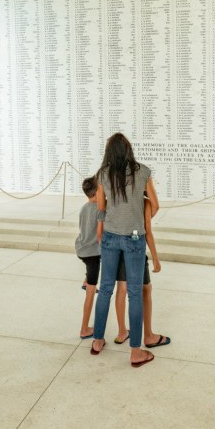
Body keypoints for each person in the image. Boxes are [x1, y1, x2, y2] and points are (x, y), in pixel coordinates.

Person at [90, 132, 159, 368]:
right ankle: (136, 352)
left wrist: (101, 229)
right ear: (128, 149)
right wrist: (138, 218)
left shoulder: (103, 174)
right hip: (134, 238)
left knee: (106, 289)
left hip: (109, 236)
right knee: (135, 293)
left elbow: (101, 207)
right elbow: (155, 204)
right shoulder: (143, 171)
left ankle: (97, 340)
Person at [113, 192, 170, 348]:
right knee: (146, 289)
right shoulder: (144, 203)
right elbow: (148, 231)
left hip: (118, 247)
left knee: (122, 288)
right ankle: (149, 336)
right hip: (136, 249)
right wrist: (156, 259)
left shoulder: (120, 198)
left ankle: (121, 332)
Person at [75, 175, 101, 340]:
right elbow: (99, 236)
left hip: (80, 249)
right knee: (91, 292)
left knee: (90, 268)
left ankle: (86, 280)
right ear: (97, 192)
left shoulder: (84, 207)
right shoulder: (100, 209)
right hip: (92, 253)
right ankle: (84, 328)